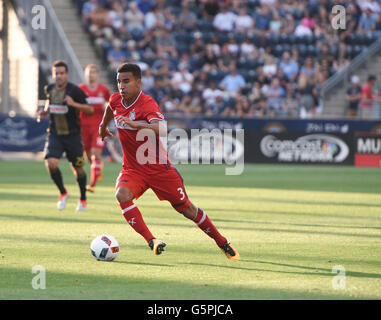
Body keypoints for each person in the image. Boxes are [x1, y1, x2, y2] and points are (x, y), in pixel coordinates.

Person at [98, 63, 240, 260]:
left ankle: (222, 242)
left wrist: (134, 124)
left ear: (138, 82)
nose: (122, 86)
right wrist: (103, 126)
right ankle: (152, 240)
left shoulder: (147, 104)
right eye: (119, 82)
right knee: (122, 195)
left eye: (126, 81)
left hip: (159, 170)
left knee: (188, 210)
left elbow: (161, 128)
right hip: (133, 169)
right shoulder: (116, 100)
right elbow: (109, 108)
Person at [38, 60, 93, 212]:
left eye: (62, 73)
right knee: (51, 163)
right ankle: (63, 193)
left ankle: (82, 199)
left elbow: (90, 108)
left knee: (78, 169)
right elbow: (50, 103)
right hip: (55, 133)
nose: (59, 76)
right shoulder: (49, 88)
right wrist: (44, 111)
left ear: (67, 75)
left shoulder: (75, 90)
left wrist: (74, 104)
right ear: (53, 74)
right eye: (57, 73)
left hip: (73, 136)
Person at [79, 64, 111, 193]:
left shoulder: (103, 90)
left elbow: (110, 105)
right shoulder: (80, 89)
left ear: (97, 75)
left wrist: (107, 107)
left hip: (98, 126)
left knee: (95, 155)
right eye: (88, 72)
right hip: (83, 126)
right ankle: (98, 168)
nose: (91, 74)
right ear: (85, 74)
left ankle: (92, 184)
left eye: (93, 72)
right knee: (87, 156)